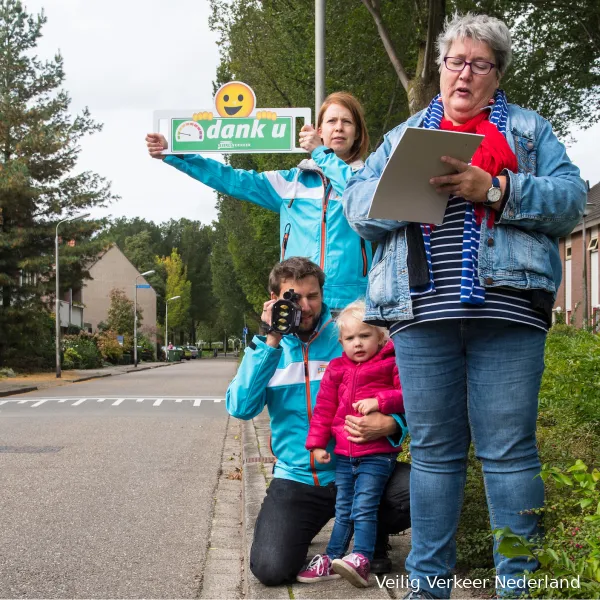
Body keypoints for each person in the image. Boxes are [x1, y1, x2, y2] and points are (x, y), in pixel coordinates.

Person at [342, 13, 586, 600]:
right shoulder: (403, 137)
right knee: (432, 452)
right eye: (455, 61)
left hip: (509, 313)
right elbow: (355, 208)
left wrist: (497, 190)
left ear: (496, 75)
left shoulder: (528, 132)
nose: (464, 73)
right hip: (422, 315)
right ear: (441, 68)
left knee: (508, 451)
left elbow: (573, 200)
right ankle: (429, 588)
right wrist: (402, 195)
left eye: (479, 64)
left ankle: (517, 588)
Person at [226, 257, 410, 586]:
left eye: (314, 296)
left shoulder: (350, 333)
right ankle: (349, 529)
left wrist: (394, 424)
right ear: (274, 298)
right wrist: (271, 340)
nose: (306, 306)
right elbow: (240, 407)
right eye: (295, 297)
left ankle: (371, 537)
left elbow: (400, 389)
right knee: (270, 569)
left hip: (359, 465)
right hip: (298, 478)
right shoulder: (268, 348)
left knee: (420, 488)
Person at [146, 92, 372, 311]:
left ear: (357, 133)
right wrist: (175, 153)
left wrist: (321, 154)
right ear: (320, 131)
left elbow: (358, 194)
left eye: (347, 122)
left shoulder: (369, 179)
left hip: (353, 305)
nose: (339, 127)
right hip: (298, 302)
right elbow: (231, 179)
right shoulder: (289, 183)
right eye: (332, 120)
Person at [297, 300, 405, 588]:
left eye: (365, 336)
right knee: (343, 506)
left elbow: (406, 394)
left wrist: (380, 401)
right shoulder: (336, 368)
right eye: (350, 338)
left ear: (381, 336)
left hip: (377, 454)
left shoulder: (391, 363)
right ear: (342, 342)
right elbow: (324, 409)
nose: (357, 344)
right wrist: (317, 445)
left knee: (364, 506)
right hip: (345, 454)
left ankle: (362, 557)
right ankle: (332, 559)